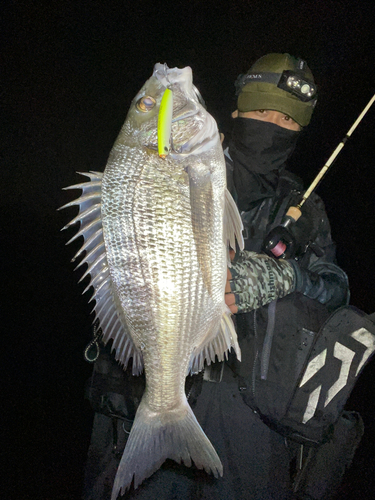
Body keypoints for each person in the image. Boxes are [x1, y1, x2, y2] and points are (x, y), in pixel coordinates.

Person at [83, 54, 365, 500]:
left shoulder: (305, 209)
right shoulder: (190, 166)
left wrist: (283, 276)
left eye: (287, 118)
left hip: (252, 425)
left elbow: (336, 288)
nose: (273, 122)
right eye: (260, 110)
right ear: (233, 111)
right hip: (150, 390)